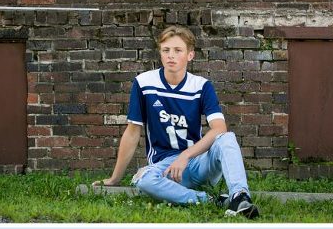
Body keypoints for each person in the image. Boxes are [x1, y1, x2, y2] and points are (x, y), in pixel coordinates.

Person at [97, 25, 260, 219]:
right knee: (143, 179)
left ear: (190, 55)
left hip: (197, 162)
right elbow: (132, 132)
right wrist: (115, 178)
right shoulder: (143, 83)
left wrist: (185, 156)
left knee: (227, 137)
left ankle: (239, 197)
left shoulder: (201, 86)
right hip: (164, 166)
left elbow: (219, 129)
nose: (170, 56)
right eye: (166, 50)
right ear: (160, 53)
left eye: (177, 50)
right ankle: (210, 200)